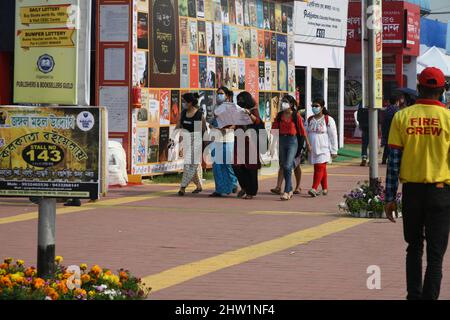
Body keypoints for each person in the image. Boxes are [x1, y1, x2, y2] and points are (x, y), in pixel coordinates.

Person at [384, 67, 450, 300]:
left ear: (419, 89)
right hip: (441, 193)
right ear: (442, 91)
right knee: (435, 256)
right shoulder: (449, 119)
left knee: (413, 248)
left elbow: (393, 162)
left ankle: (413, 295)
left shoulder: (402, 117)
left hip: (411, 192)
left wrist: (390, 198)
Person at [270, 95, 310, 198]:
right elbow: (274, 131)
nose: (283, 104)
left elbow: (302, 131)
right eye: (282, 102)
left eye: (286, 102)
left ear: (291, 104)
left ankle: (287, 191)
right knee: (283, 165)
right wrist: (272, 146)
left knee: (288, 165)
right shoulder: (279, 116)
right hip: (282, 141)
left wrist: (308, 145)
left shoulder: (296, 116)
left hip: (293, 141)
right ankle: (289, 189)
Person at [208, 87, 239, 197]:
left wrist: (228, 128)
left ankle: (233, 183)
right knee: (217, 165)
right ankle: (219, 189)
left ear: (227, 95)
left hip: (228, 138)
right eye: (217, 94)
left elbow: (236, 123)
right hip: (216, 138)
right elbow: (212, 121)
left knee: (227, 164)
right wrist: (212, 125)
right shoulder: (215, 107)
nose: (219, 95)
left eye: (221, 93)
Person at [233, 91, 263, 200]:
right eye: (238, 99)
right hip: (239, 139)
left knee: (251, 167)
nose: (240, 101)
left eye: (242, 99)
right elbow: (235, 124)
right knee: (236, 165)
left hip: (251, 140)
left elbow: (258, 121)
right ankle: (244, 187)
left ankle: (251, 191)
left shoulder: (253, 110)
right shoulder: (237, 111)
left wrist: (248, 113)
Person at [306, 98, 338, 197]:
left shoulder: (328, 119)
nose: (314, 108)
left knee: (320, 167)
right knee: (319, 167)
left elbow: (333, 135)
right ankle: (324, 188)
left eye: (317, 106)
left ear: (322, 107)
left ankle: (314, 188)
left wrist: (334, 150)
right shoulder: (310, 119)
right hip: (313, 147)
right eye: (313, 106)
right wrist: (306, 145)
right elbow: (305, 132)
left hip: (324, 147)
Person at [176, 92, 206, 196]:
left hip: (196, 140)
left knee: (188, 165)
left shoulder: (198, 115)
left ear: (190, 103)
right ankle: (199, 186)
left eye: (184, 101)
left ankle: (182, 187)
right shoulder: (183, 113)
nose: (183, 103)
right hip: (186, 140)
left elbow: (202, 131)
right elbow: (178, 126)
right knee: (194, 166)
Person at [381, 95, 400, 164]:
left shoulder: (387, 109)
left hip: (386, 128)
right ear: (396, 102)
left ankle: (384, 158)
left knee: (386, 144)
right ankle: (390, 158)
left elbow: (383, 120)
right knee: (393, 144)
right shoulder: (397, 110)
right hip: (393, 129)